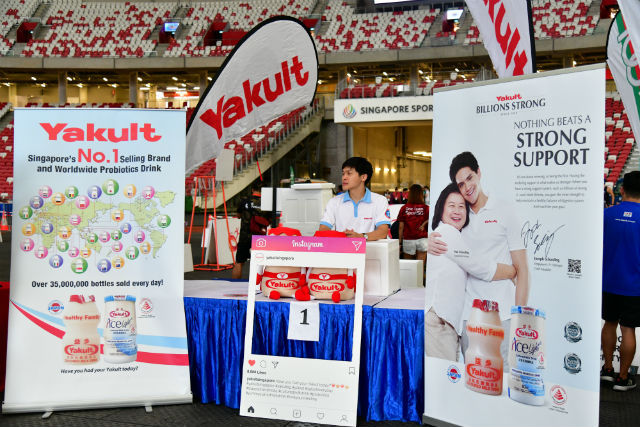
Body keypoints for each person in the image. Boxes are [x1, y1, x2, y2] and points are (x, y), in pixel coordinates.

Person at [428, 151, 529, 370]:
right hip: (468, 316)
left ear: (479, 173)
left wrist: (520, 319)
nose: (467, 187)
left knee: (502, 378)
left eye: (470, 178)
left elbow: (523, 270)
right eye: (461, 184)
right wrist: (429, 241)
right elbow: (474, 263)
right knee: (472, 381)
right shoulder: (458, 221)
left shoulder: (504, 210)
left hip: (502, 313)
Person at [426, 183, 516, 361]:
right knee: (442, 373)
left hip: (445, 321)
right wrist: (512, 271)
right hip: (439, 321)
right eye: (451, 205)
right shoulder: (447, 233)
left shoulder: (453, 234)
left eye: (461, 207)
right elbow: (479, 266)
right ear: (441, 209)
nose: (457, 211)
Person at [601, 171, 640, 391]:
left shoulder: (606, 214)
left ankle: (607, 370)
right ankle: (622, 378)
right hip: (634, 285)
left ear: (622, 189)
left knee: (609, 323)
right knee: (628, 330)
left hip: (609, 281)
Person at [319, 157, 390, 241]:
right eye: (343, 174)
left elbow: (383, 232)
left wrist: (361, 237)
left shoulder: (379, 201)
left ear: (363, 177)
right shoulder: (334, 202)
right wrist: (340, 236)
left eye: (349, 173)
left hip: (370, 248)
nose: (344, 177)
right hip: (342, 247)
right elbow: (323, 229)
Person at [232, 185, 268, 279]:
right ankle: (258, 283)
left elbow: (238, 215)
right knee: (261, 262)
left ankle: (234, 284)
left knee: (239, 262)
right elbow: (270, 220)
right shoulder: (266, 202)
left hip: (245, 235)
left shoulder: (244, 200)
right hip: (260, 236)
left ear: (252, 189)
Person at [397, 184, 429, 272]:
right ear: (421, 194)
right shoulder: (426, 208)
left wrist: (399, 242)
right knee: (420, 268)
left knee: (408, 268)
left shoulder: (404, 208)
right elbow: (432, 220)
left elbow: (401, 227)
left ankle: (409, 281)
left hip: (408, 239)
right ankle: (420, 280)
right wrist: (424, 224)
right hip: (423, 239)